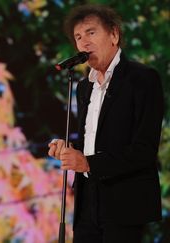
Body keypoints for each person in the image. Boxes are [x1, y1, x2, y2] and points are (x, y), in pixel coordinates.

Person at [48, 4, 163, 243]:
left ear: (114, 34)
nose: (84, 43)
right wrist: (67, 149)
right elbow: (91, 142)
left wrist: (89, 163)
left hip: (125, 203)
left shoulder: (142, 78)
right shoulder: (83, 87)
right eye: (78, 37)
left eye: (91, 32)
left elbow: (144, 150)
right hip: (86, 203)